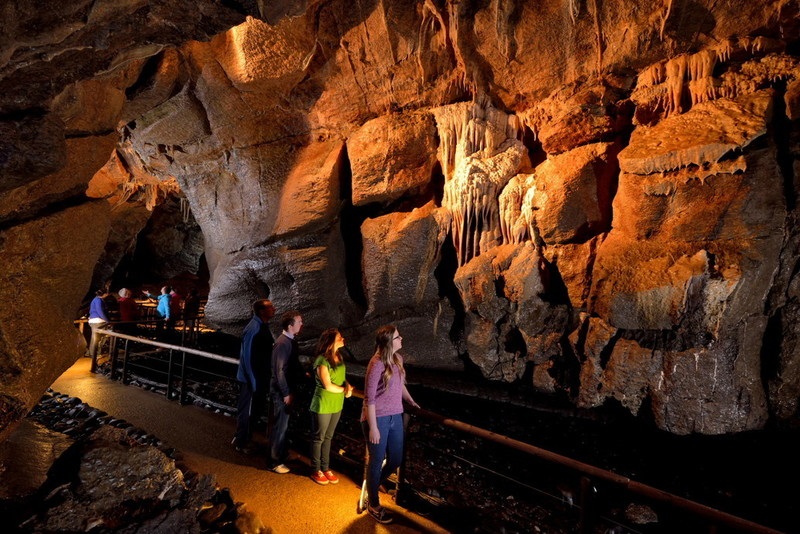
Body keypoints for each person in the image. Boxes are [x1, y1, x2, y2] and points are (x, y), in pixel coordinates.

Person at [361, 324, 419, 524]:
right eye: (397, 337)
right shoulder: (376, 364)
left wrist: (410, 401)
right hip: (378, 418)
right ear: (388, 342)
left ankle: (373, 483)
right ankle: (373, 504)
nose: (401, 339)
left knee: (395, 459)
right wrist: (374, 427)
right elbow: (369, 398)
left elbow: (400, 384)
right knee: (376, 461)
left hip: (396, 415)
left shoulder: (398, 359)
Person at [309, 328, 353, 485]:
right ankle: (316, 469)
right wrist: (345, 390)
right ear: (331, 341)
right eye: (340, 337)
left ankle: (325, 467)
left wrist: (347, 385)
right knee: (319, 437)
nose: (343, 338)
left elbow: (341, 377)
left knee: (328, 437)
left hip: (336, 403)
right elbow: (327, 385)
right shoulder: (322, 360)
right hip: (323, 403)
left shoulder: (338, 356)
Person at [232, 299, 275, 454]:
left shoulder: (261, 326)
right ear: (262, 311)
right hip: (252, 379)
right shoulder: (255, 328)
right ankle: (241, 442)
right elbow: (248, 356)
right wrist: (254, 380)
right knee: (248, 410)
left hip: (257, 377)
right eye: (270, 307)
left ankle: (242, 437)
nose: (274, 309)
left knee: (253, 410)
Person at [269, 310, 303, 474]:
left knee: (284, 424)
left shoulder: (289, 342)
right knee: (280, 426)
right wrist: (286, 393)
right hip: (282, 391)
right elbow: (279, 371)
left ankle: (282, 453)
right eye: (298, 322)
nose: (301, 324)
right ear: (290, 326)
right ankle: (275, 461)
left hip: (286, 389)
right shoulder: (283, 344)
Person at [87, 289, 110, 362]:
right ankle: (94, 353)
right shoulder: (98, 300)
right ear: (104, 294)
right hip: (98, 321)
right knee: (97, 338)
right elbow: (100, 311)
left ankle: (93, 352)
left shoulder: (97, 300)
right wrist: (107, 320)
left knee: (96, 337)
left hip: (95, 320)